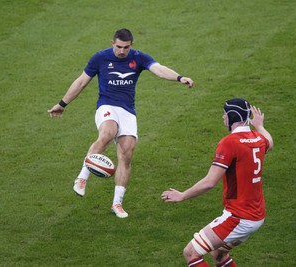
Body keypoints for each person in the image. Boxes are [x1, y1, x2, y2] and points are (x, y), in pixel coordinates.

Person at [48, 28, 194, 218]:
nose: (122, 51)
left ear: (131, 45)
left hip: (127, 111)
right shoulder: (100, 58)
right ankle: (82, 178)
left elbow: (159, 69)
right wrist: (62, 104)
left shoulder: (138, 58)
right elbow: (81, 82)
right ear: (112, 43)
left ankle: (117, 203)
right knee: (108, 133)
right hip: (106, 105)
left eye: (126, 47)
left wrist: (180, 78)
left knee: (126, 153)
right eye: (118, 47)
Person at [161, 98, 274, 266]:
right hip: (256, 215)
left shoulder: (229, 143)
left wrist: (182, 195)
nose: (223, 117)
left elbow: (209, 182)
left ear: (232, 116)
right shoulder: (257, 138)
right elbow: (269, 143)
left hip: (238, 217)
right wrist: (260, 126)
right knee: (219, 254)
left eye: (225, 114)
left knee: (190, 253)